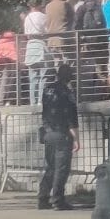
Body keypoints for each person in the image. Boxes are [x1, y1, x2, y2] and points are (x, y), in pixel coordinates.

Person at [37, 63, 79, 210]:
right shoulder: (67, 92)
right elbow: (71, 116)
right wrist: (76, 138)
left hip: (48, 132)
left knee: (51, 167)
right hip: (62, 132)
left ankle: (43, 197)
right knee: (61, 168)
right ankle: (58, 199)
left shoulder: (47, 89)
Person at [22, 0, 48, 106]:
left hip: (30, 46)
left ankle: (33, 102)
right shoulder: (43, 16)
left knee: (32, 77)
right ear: (38, 5)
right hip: (41, 45)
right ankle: (41, 101)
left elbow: (26, 33)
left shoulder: (27, 18)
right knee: (43, 76)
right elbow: (47, 30)